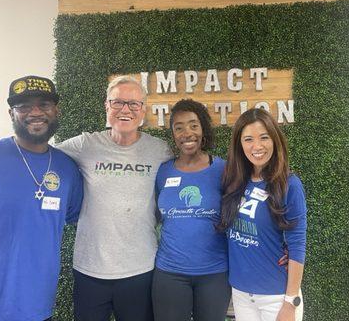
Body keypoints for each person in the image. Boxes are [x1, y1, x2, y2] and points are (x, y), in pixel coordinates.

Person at [0, 75, 84, 321]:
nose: (35, 112)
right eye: (24, 106)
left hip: (39, 307)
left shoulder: (68, 170)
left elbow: (73, 216)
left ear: (56, 110)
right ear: (11, 114)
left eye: (44, 104)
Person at [57, 75, 172, 321]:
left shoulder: (160, 150)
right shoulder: (85, 144)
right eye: (118, 102)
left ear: (143, 110)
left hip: (139, 269)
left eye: (133, 104)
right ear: (106, 106)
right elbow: (41, 154)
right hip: (90, 269)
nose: (125, 110)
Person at [218, 108, 307, 321]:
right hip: (241, 294)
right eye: (248, 139)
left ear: (275, 140)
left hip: (276, 297)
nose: (256, 146)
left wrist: (290, 302)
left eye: (264, 138)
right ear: (239, 144)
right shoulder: (233, 182)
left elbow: (297, 245)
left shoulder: (289, 184)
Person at [152, 99, 231, 321]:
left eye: (193, 125)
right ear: (173, 134)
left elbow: (241, 212)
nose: (187, 133)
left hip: (214, 273)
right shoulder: (163, 172)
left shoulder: (223, 169)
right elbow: (155, 213)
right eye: (179, 127)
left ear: (203, 129)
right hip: (170, 272)